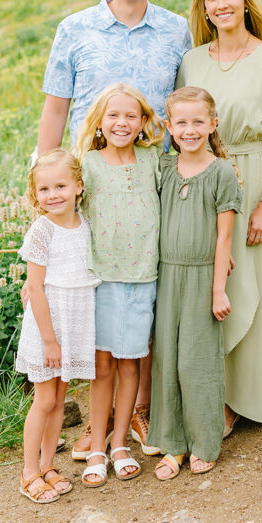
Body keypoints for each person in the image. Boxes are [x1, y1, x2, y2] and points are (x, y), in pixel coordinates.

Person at [36, 0, 190, 459]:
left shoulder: (176, 31)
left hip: (150, 183)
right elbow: (56, 107)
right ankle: (95, 421)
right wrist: (45, 177)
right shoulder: (75, 28)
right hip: (89, 185)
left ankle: (141, 409)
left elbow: (187, 101)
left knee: (144, 294)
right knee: (89, 296)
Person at [176, 0, 262, 432]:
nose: (221, 4)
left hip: (252, 179)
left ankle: (248, 397)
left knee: (250, 287)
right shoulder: (192, 61)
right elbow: (182, 126)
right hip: (204, 178)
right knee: (212, 285)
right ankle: (212, 394)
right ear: (204, 7)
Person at [72, 83, 165, 487]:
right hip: (102, 279)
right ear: (99, 123)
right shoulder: (87, 166)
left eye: (131, 115)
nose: (121, 123)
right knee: (102, 365)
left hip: (143, 277)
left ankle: (121, 443)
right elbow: (63, 217)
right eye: (113, 115)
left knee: (132, 362)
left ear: (144, 122)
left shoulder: (153, 160)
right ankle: (96, 445)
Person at [149, 86, 241, 480]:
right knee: (166, 360)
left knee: (197, 362)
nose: (189, 130)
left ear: (212, 124)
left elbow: (224, 237)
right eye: (181, 122)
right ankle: (173, 446)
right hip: (165, 274)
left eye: (198, 122)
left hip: (203, 275)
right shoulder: (163, 167)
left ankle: (204, 442)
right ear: (168, 126)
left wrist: (218, 287)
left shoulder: (221, 172)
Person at [15, 149, 99, 504]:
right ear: (36, 195)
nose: (53, 195)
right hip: (47, 326)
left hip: (73, 321)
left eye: (61, 186)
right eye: (45, 189)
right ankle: (29, 472)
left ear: (78, 186)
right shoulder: (41, 230)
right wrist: (49, 341)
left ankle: (49, 466)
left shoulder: (85, 225)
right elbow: (34, 287)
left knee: (61, 399)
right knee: (45, 398)